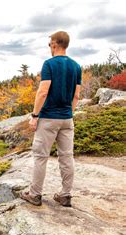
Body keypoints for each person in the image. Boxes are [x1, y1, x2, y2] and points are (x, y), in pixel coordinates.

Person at [20, 31, 82, 207]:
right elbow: (76, 95)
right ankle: (65, 195)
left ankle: (35, 194)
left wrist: (34, 116)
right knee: (67, 157)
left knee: (40, 156)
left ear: (54, 44)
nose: (49, 47)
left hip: (48, 118)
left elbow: (43, 91)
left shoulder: (49, 64)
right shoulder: (76, 66)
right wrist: (69, 113)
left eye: (49, 44)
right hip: (67, 119)